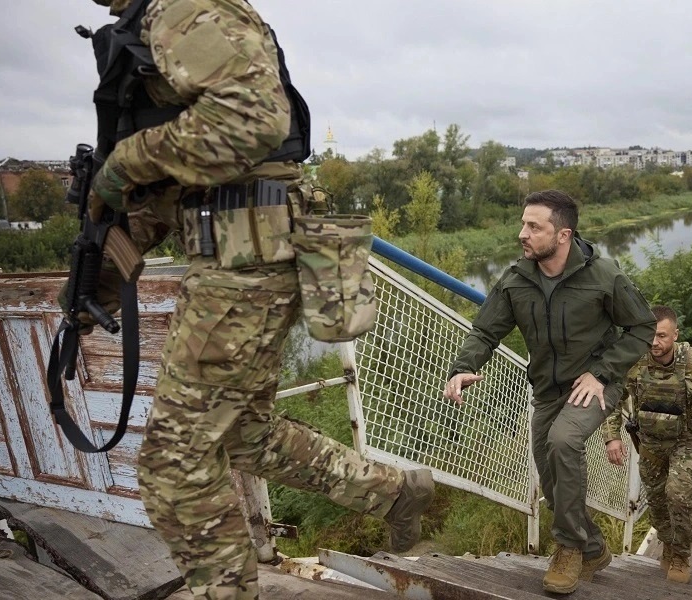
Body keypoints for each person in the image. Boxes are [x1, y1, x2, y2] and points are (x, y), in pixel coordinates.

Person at [78, 2, 434, 598]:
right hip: (241, 252)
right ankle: (394, 491)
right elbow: (187, 180)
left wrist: (125, 161)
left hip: (245, 260)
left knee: (174, 470)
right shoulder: (153, 17)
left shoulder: (178, 5)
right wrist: (101, 277)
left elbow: (254, 120)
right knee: (242, 433)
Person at [443, 189, 656, 595]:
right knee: (551, 474)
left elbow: (642, 328)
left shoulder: (604, 275)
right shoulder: (516, 279)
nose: (522, 233)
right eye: (523, 223)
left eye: (533, 226)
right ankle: (594, 547)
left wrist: (601, 372)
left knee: (563, 443)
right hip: (545, 389)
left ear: (563, 235)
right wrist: (464, 367)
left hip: (594, 384)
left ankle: (569, 548)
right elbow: (486, 330)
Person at [601, 305, 692, 583]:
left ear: (675, 334)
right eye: (650, 335)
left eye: (662, 335)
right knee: (657, 502)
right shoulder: (635, 361)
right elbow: (612, 397)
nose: (655, 342)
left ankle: (680, 556)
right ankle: (668, 543)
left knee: (678, 495)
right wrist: (612, 436)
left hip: (686, 442)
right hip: (649, 443)